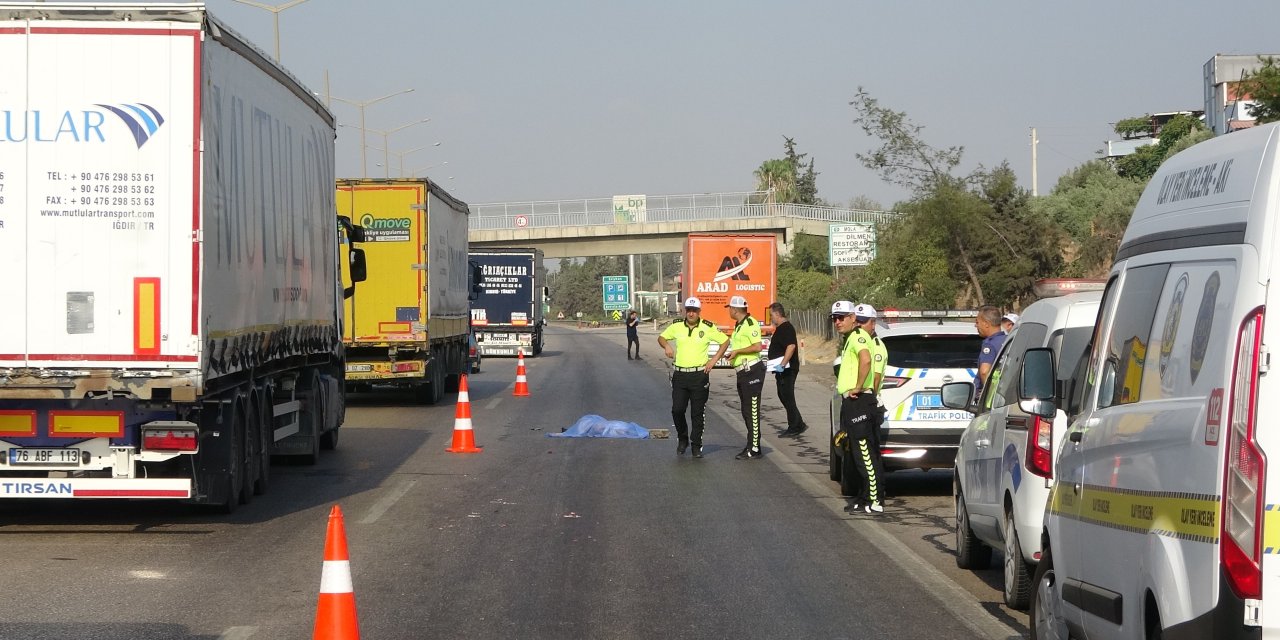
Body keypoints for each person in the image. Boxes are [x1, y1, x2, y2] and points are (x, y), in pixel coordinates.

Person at [658, 297, 730, 459]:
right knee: (677, 410)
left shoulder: (707, 327)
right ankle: (682, 438)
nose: (691, 313)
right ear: (685, 311)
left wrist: (713, 360)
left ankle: (696, 444)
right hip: (680, 375)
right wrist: (667, 345)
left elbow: (725, 342)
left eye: (694, 311)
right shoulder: (677, 326)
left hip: (699, 375)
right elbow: (661, 338)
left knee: (697, 412)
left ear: (699, 312)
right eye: (689, 310)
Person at [833, 302, 885, 514]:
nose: (837, 322)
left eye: (841, 317)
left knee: (865, 454)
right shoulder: (850, 338)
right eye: (834, 318)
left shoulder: (858, 336)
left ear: (853, 318)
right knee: (858, 453)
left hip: (860, 400)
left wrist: (858, 386)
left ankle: (874, 500)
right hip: (854, 401)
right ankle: (865, 498)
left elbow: (866, 360)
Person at [724, 296, 765, 459]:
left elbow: (757, 346)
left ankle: (754, 448)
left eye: (729, 308)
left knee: (752, 410)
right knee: (746, 410)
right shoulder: (739, 325)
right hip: (742, 371)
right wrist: (734, 354)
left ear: (735, 309)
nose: (729, 311)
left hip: (752, 371)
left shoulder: (750, 323)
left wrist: (738, 351)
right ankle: (751, 444)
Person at [767, 302, 808, 437]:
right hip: (781, 370)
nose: (771, 318)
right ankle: (798, 422)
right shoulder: (780, 328)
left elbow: (791, 346)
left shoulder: (786, 328)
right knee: (782, 394)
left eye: (771, 315)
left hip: (787, 369)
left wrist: (783, 364)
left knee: (787, 396)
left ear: (777, 314)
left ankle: (794, 426)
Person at [974, 305, 1007, 397]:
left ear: (986, 324)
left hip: (991, 397)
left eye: (977, 322)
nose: (976, 325)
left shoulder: (989, 345)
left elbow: (984, 372)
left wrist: (989, 395)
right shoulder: (1009, 340)